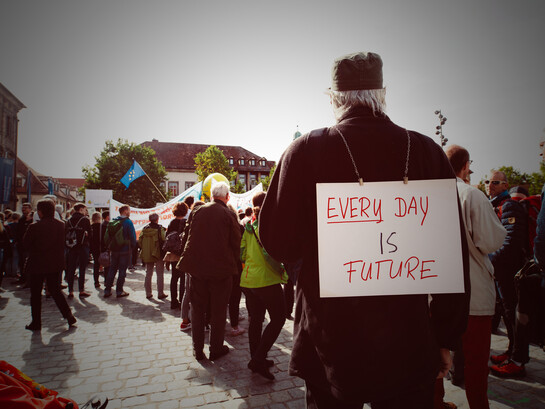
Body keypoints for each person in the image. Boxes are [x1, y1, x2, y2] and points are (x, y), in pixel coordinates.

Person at [259, 52, 470, 408]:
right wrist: (446, 339)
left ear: (334, 97)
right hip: (408, 343)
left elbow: (277, 242)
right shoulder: (426, 151)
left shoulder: (305, 150)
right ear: (382, 93)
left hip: (330, 343)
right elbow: (453, 256)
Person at [438, 145, 506, 408]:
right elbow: (491, 241)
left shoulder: (429, 196)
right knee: (477, 360)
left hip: (438, 292)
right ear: (465, 166)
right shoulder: (471, 195)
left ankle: (436, 402)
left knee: (437, 359)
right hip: (473, 292)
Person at [178, 182, 241, 361]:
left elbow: (188, 237)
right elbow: (236, 244)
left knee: (197, 310)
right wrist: (234, 264)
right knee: (219, 310)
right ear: (227, 196)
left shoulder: (198, 211)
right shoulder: (228, 214)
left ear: (212, 195)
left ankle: (198, 350)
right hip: (221, 271)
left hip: (197, 270)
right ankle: (215, 348)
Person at [240, 191, 287, 380]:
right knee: (279, 318)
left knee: (256, 320)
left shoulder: (248, 224)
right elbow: (274, 252)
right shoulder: (267, 225)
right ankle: (258, 358)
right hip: (266, 279)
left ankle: (257, 357)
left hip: (249, 279)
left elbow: (242, 252)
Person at [486, 170, 528, 376]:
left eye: (495, 182)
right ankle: (511, 352)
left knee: (514, 315)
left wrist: (489, 261)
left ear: (505, 185)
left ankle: (518, 361)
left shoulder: (509, 205)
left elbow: (510, 243)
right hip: (502, 271)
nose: (490, 185)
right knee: (508, 312)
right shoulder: (496, 205)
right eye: (488, 181)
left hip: (510, 272)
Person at [23, 199, 76, 331]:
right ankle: (68, 315)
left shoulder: (34, 227)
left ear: (40, 212)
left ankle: (36, 322)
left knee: (35, 294)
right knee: (56, 291)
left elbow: (25, 245)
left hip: (38, 264)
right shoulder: (61, 225)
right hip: (55, 263)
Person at [178, 200, 205, 331]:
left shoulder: (188, 222)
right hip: (199, 263)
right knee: (199, 293)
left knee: (188, 291)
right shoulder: (200, 224)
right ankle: (201, 322)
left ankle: (185, 320)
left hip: (189, 262)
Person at [104, 205, 137, 298]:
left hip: (114, 250)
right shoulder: (128, 222)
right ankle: (119, 291)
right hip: (125, 250)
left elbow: (106, 236)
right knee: (122, 270)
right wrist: (132, 247)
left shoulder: (113, 221)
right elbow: (133, 237)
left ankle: (107, 290)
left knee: (112, 269)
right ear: (125, 211)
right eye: (129, 210)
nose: (130, 212)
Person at [65, 203, 92, 299]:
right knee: (82, 269)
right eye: (85, 210)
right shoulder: (85, 220)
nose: (86, 212)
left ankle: (70, 291)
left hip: (71, 247)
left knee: (71, 269)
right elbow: (90, 233)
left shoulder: (69, 220)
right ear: (81, 209)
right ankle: (81, 290)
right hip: (82, 246)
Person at [164, 202, 188, 309]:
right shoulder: (186, 223)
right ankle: (182, 301)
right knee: (183, 279)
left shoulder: (172, 222)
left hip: (173, 254)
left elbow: (167, 238)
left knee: (174, 278)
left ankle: (173, 301)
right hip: (183, 254)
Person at [139, 212, 167, 300]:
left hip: (147, 253)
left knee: (148, 273)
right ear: (157, 219)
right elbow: (164, 239)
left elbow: (140, 241)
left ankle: (148, 293)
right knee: (159, 274)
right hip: (158, 253)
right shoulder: (160, 228)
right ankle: (160, 293)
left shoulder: (144, 229)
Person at [89, 212, 103, 289]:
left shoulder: (91, 227)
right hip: (101, 247)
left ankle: (96, 282)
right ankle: (107, 281)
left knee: (96, 265)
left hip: (94, 248)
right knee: (106, 263)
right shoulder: (102, 226)